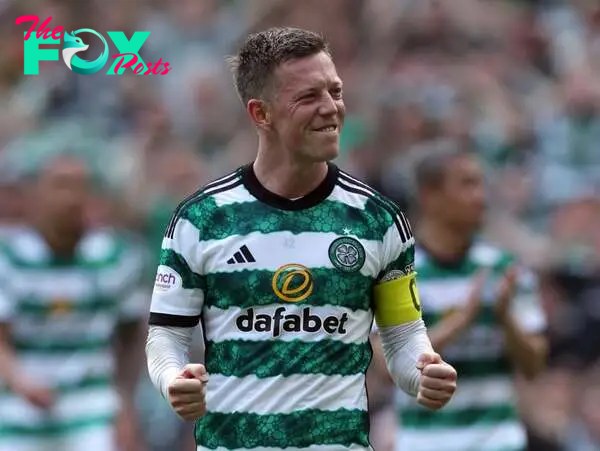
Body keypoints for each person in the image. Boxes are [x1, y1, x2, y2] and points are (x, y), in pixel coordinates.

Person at [145, 27, 457, 451]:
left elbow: (402, 335)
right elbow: (166, 337)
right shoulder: (201, 220)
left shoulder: (378, 220)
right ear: (261, 113)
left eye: (336, 91)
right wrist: (172, 380)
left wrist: (422, 373)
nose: (331, 109)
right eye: (308, 97)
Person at [387, 144, 547, 451]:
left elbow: (535, 366)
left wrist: (505, 319)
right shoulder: (397, 273)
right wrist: (461, 320)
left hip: (499, 440)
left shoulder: (506, 270)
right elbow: (387, 366)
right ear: (429, 196)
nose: (481, 197)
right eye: (467, 184)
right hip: (425, 442)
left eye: (481, 184)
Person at [0, 153, 147, 451]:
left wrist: (126, 405)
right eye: (61, 185)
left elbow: (132, 336)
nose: (71, 198)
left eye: (80, 187)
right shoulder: (9, 258)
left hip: (91, 407)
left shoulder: (114, 256)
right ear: (35, 195)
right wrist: (19, 380)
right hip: (21, 409)